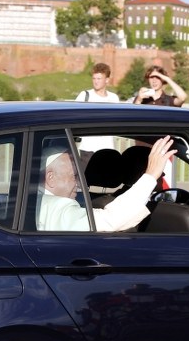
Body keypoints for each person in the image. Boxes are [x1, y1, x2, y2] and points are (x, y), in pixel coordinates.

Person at [37, 136, 176, 232]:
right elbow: (110, 220)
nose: (80, 183)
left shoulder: (34, 201)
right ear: (50, 178)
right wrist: (150, 175)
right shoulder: (57, 207)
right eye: (74, 176)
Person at [75, 63, 120, 152]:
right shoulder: (84, 96)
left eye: (99, 79)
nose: (96, 81)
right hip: (87, 149)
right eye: (94, 78)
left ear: (107, 80)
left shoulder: (114, 98)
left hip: (107, 148)